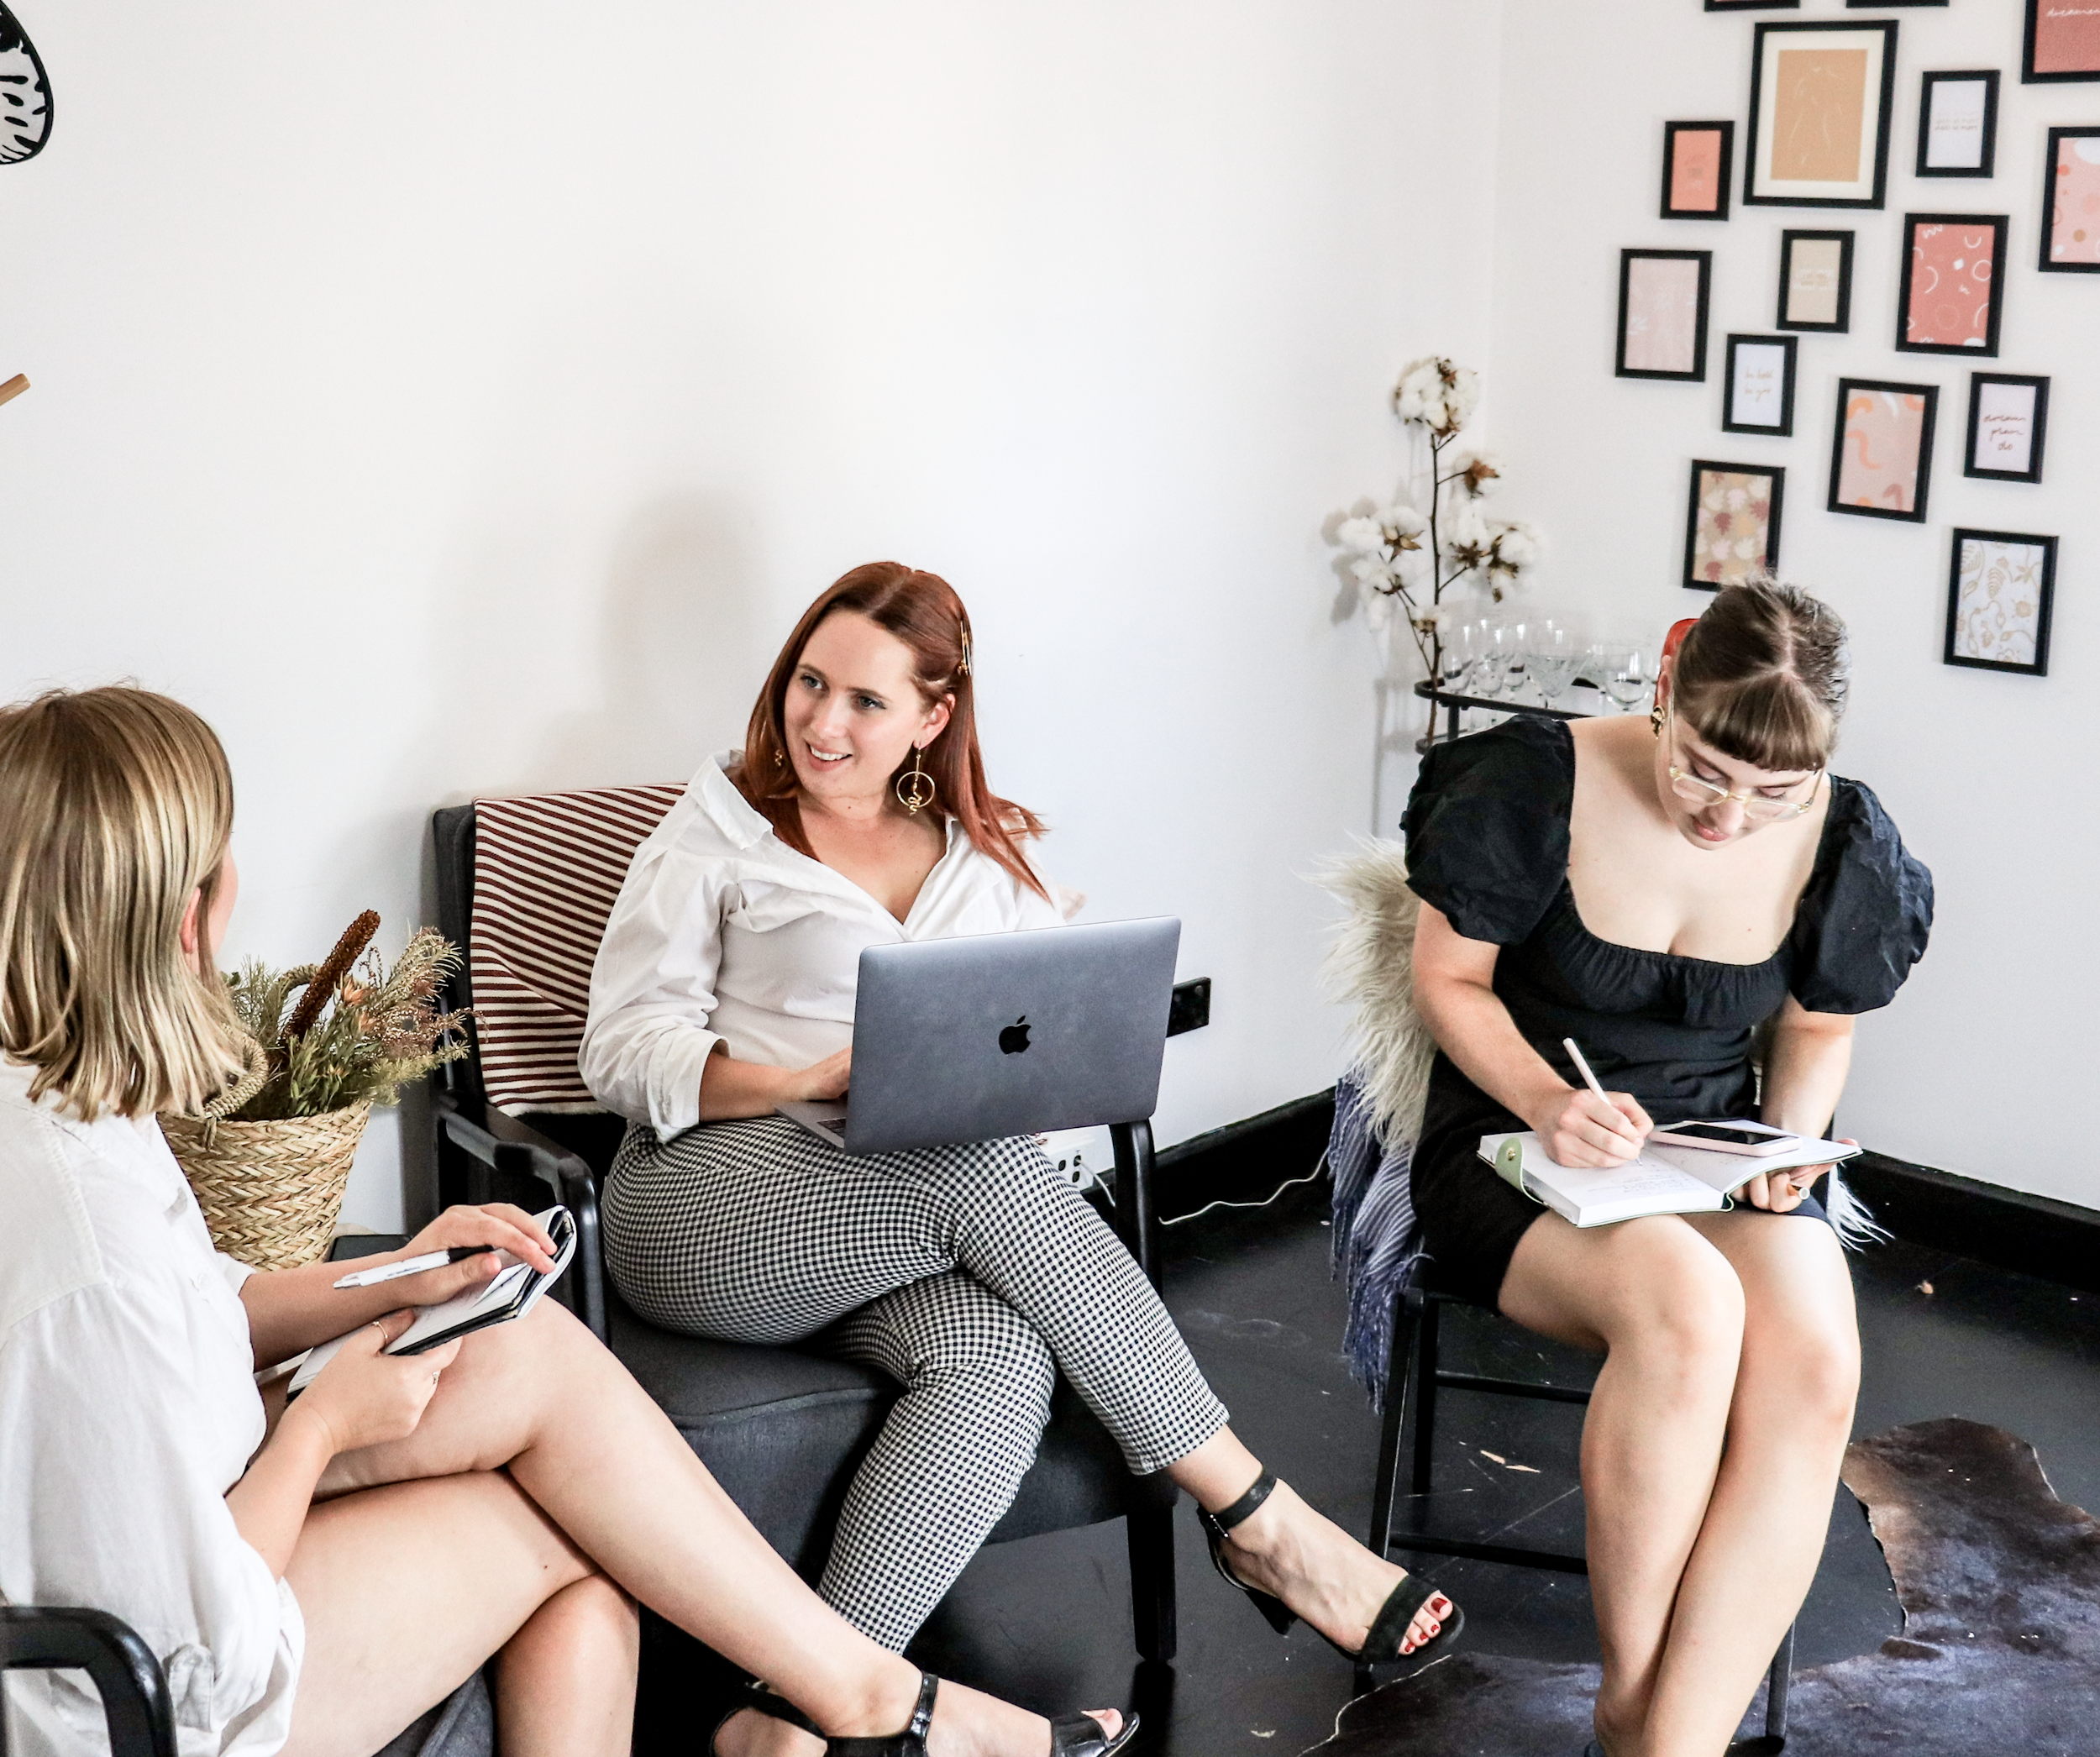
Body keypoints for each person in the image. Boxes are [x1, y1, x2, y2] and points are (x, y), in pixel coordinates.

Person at [0, 684, 1137, 1757]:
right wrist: (322, 1431)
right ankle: (876, 1699)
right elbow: (194, 1658)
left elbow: (205, 1306)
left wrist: (396, 1273)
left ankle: (856, 1695)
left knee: (524, 1350)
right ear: (183, 920)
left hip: (194, 1510)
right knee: (573, 1536)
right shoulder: (88, 1258)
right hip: (151, 1698)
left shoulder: (64, 1103)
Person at [584, 562, 1461, 1757]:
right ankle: (1262, 1521)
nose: (823, 723)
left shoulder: (984, 860)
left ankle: (792, 1719)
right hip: (701, 1204)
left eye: (865, 702)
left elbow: (1026, 1059)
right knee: (978, 1176)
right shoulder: (719, 835)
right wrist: (802, 1077)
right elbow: (621, 1051)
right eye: (810, 683)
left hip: (888, 1223)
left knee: (997, 1356)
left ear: (934, 718)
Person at [1403, 578, 1933, 1757]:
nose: (1726, 819)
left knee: (1814, 1358)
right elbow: (1448, 985)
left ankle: (1671, 1742)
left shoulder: (1845, 836)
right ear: (1668, 680)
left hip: (1708, 1157)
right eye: (1702, 769)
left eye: (1771, 794)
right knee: (1689, 1311)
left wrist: (1789, 1150)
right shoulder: (1532, 782)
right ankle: (1635, 1704)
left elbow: (1815, 1027)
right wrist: (1549, 1099)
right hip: (1514, 1146)